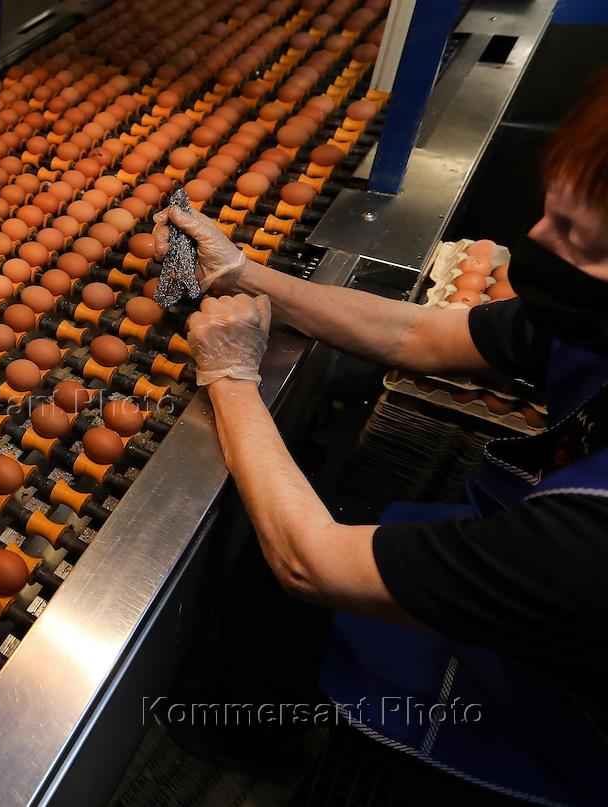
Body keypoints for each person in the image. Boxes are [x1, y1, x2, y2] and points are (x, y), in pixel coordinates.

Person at [153, 71, 608, 805]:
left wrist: (231, 378)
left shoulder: (590, 541)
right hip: (524, 572)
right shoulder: (595, 313)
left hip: (543, 713)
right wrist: (246, 275)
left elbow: (311, 564)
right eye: (551, 212)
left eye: (575, 237)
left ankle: (260, 757)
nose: (534, 240)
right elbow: (422, 335)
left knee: (275, 575)